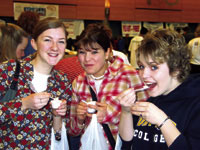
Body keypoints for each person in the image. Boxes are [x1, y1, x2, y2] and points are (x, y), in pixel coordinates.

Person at [68, 23, 148, 149]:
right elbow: (73, 131)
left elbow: (146, 119)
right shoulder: (78, 83)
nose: (87, 59)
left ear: (107, 53)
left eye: (94, 52)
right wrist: (80, 118)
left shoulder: (128, 74)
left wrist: (111, 114)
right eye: (82, 52)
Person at [118, 29, 200, 150]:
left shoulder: (195, 105)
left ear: (176, 68)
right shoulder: (153, 100)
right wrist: (126, 112)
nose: (143, 75)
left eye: (154, 67)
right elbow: (127, 142)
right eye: (141, 66)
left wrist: (163, 122)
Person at [0, 17, 72, 149]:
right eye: (47, 40)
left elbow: (58, 136)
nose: (55, 48)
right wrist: (23, 103)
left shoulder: (62, 82)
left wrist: (57, 117)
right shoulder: (9, 70)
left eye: (61, 42)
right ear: (34, 43)